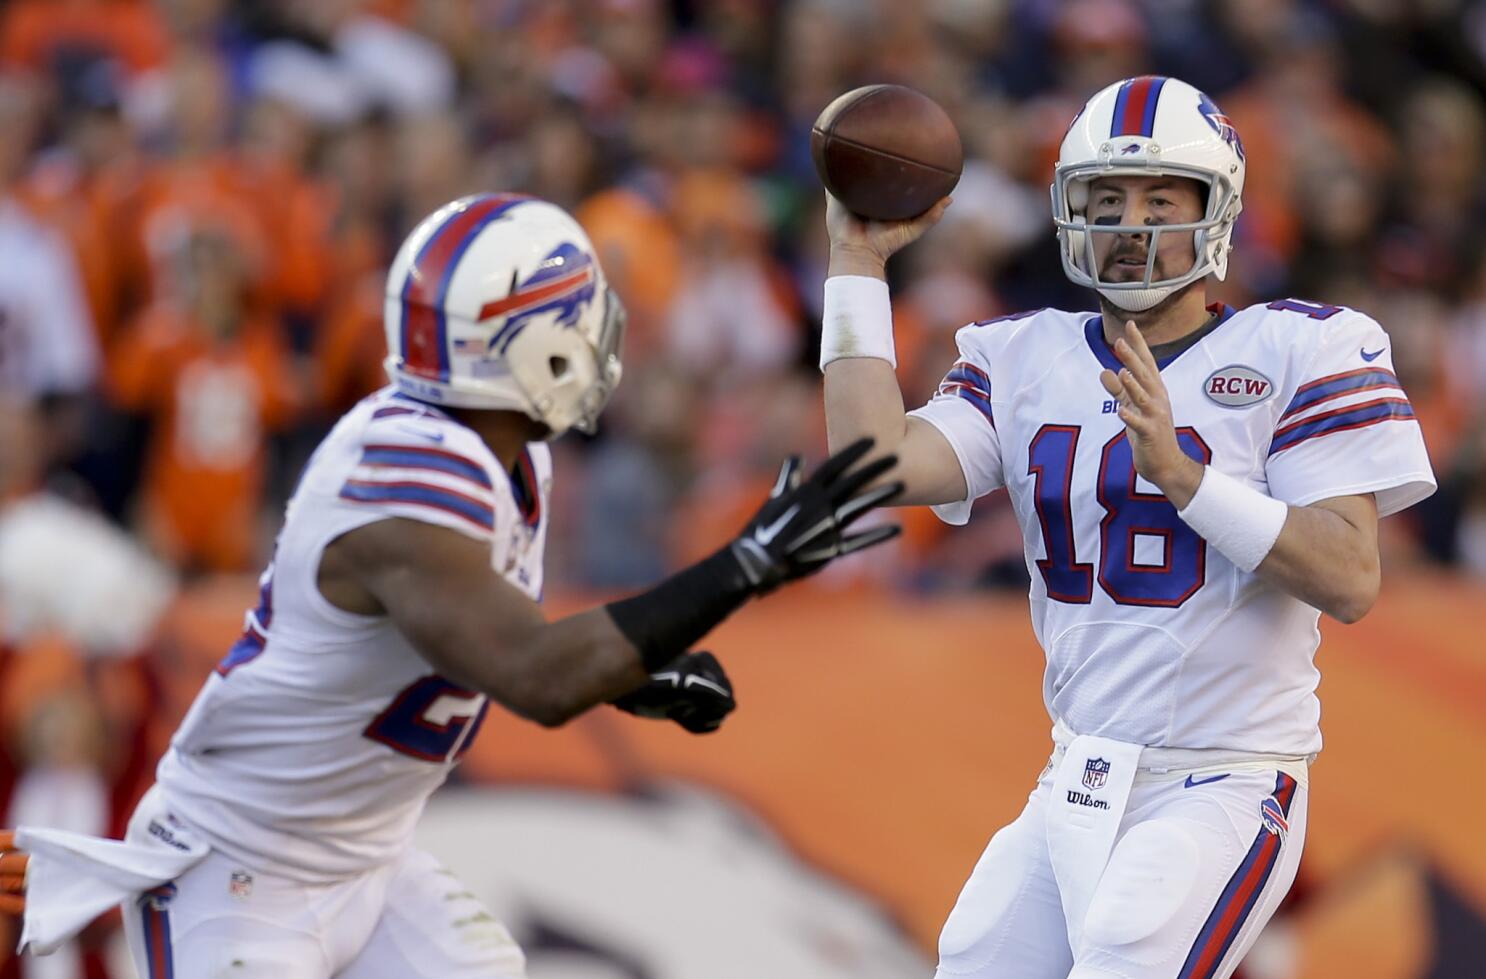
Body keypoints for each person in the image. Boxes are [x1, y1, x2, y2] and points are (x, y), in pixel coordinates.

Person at [0, 192, 902, 978]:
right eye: (579, 319)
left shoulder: (509, 457)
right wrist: (746, 563)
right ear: (523, 348)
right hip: (238, 871)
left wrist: (632, 676)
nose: (597, 340)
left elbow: (480, 631)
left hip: (371, 861)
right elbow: (537, 675)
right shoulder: (407, 483)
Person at [819, 76, 1435, 979]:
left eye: (1159, 199)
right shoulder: (1024, 355)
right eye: (1105, 200)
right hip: (1079, 772)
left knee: (1126, 954)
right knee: (972, 958)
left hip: (1226, 775)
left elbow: (1350, 577)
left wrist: (1187, 481)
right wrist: (858, 265)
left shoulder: (1302, 349)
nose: (1130, 223)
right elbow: (867, 462)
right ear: (1069, 213)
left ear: (1213, 212)